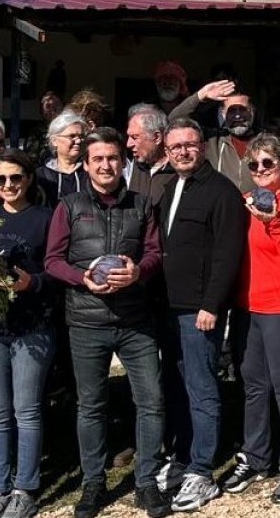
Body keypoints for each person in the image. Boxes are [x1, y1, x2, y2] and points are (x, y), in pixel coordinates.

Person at [43, 127, 170, 518]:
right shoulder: (70, 206)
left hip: (135, 321)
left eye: (113, 158)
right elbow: (52, 261)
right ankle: (93, 483)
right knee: (91, 406)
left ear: (123, 162)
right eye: (97, 158)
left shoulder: (142, 204)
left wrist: (139, 273)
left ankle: (146, 482)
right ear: (86, 164)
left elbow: (154, 253)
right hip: (86, 322)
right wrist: (81, 277)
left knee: (151, 401)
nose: (105, 165)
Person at [155, 118, 247, 512]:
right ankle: (181, 458)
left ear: (203, 146)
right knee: (174, 386)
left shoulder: (221, 192)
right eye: (175, 147)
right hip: (167, 307)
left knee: (201, 389)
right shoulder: (169, 188)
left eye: (189, 145)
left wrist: (213, 305)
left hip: (199, 311)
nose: (183, 152)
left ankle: (202, 471)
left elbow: (228, 255)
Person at [220, 133, 280, 504]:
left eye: (267, 163)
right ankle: (255, 456)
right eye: (254, 164)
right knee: (254, 387)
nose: (260, 170)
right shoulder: (244, 201)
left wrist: (275, 222)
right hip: (249, 308)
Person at [0, 149, 56, 518]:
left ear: (28, 179)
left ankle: (25, 488)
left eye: (15, 178)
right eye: (0, 179)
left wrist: (30, 283)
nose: (8, 185)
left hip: (33, 327)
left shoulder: (47, 219)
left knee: (27, 411)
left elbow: (58, 272)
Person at [168, 79, 257, 192]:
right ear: (223, 114)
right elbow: (173, 120)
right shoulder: (213, 140)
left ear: (252, 111)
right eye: (232, 111)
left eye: (243, 110)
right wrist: (201, 95)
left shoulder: (266, 141)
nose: (238, 116)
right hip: (220, 207)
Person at [125, 103, 176, 206]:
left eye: (135, 137)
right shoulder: (129, 168)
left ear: (157, 137)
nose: (128, 144)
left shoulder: (178, 171)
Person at [36, 109, 90, 205]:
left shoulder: (90, 173)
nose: (78, 141)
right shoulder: (40, 176)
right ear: (54, 140)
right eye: (72, 136)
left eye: (81, 136)